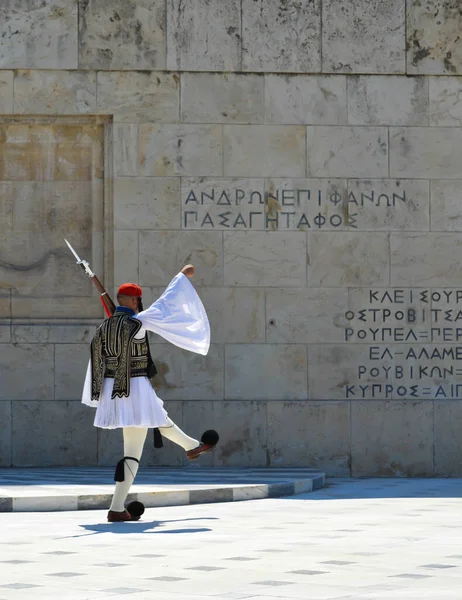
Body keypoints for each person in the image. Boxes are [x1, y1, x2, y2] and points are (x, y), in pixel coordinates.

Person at [81, 264, 218, 522]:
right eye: (138, 301)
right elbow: (165, 305)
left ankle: (190, 447)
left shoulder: (104, 328)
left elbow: (95, 364)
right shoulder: (138, 322)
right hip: (133, 388)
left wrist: (96, 396)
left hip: (113, 389)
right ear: (134, 301)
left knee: (152, 426)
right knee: (143, 437)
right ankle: (118, 507)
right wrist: (180, 276)